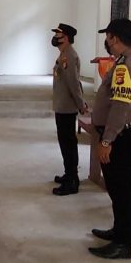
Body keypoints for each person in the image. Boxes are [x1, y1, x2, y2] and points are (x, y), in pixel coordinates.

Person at [89, 19, 131, 259]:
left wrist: (107, 140)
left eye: (107, 37)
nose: (106, 42)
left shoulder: (126, 66)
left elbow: (121, 106)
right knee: (120, 188)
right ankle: (120, 230)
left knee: (122, 189)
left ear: (114, 38)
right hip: (128, 132)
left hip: (124, 135)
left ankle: (123, 243)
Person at [50, 23, 87, 196]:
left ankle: (72, 180)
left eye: (58, 34)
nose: (55, 38)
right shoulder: (64, 54)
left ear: (65, 37)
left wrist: (81, 104)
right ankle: (69, 174)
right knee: (65, 143)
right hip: (62, 106)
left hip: (67, 108)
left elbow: (74, 83)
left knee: (68, 144)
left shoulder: (69, 56)